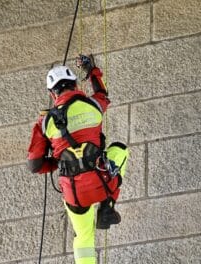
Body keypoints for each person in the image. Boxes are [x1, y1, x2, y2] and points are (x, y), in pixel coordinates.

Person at [27, 55, 128, 264]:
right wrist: (92, 71)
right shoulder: (92, 105)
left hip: (74, 192)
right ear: (74, 84)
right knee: (120, 150)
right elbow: (102, 94)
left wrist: (59, 161)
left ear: (52, 93)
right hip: (102, 181)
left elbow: (34, 165)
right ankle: (108, 204)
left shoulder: (45, 123)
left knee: (83, 237)